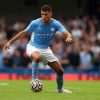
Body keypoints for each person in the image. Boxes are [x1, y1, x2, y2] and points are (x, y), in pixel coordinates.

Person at [4, 5, 73, 93]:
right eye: (42, 14)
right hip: (32, 47)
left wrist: (69, 37)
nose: (44, 17)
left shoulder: (56, 24)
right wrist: (10, 42)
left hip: (46, 49)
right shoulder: (35, 23)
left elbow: (67, 33)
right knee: (37, 57)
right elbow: (23, 33)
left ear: (51, 14)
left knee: (60, 71)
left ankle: (60, 90)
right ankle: (34, 80)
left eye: (46, 15)